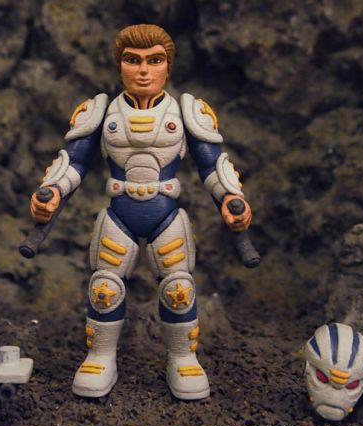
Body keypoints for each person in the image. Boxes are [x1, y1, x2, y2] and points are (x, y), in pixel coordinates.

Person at [30, 24, 252, 400]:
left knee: (179, 287)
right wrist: (51, 192)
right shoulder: (101, 111)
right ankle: (100, 356)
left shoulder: (187, 111)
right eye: (133, 61)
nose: (144, 71)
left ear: (168, 66)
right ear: (120, 65)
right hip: (120, 212)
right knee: (104, 286)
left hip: (166, 213)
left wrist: (233, 199)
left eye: (155, 61)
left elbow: (212, 165)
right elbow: (74, 162)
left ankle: (183, 358)